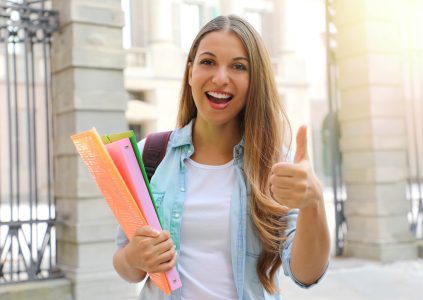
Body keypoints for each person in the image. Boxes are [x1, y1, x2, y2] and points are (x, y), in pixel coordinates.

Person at [112, 15, 330, 300]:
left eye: (238, 66)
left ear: (255, 80)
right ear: (190, 72)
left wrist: (314, 202)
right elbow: (126, 264)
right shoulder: (149, 154)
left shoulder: (279, 167)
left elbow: (306, 274)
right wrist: (134, 257)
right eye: (208, 62)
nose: (220, 78)